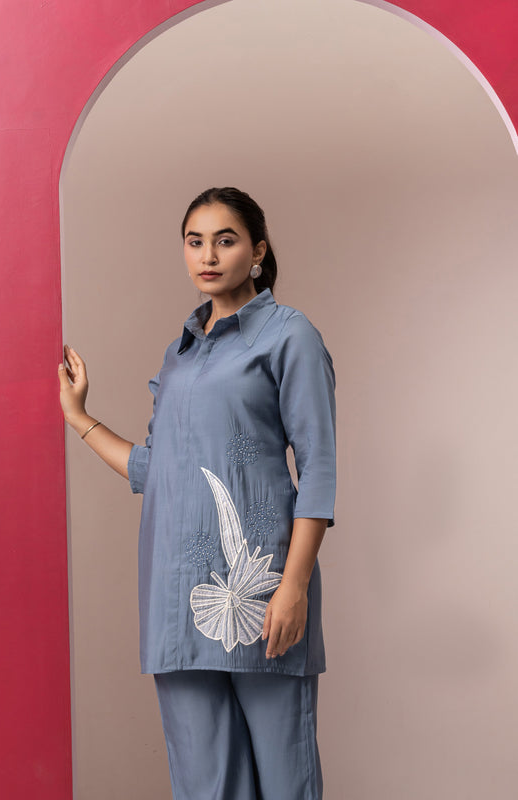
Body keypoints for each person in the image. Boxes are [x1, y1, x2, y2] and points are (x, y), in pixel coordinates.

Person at [58, 187, 336, 800]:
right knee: (206, 787)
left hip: (259, 591)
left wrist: (293, 587)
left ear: (257, 251)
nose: (207, 255)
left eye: (225, 240)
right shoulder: (179, 356)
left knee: (286, 783)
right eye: (195, 241)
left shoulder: (289, 336)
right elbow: (156, 471)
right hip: (177, 599)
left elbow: (318, 468)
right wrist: (80, 418)